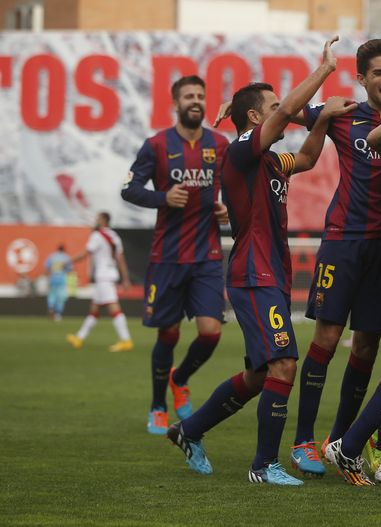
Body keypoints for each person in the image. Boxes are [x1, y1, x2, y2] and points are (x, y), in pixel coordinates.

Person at [166, 37, 352, 485]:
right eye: (271, 106)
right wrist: (325, 71)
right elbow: (288, 111)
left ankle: (188, 430)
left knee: (256, 376)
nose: (281, 110)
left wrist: (323, 120)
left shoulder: (271, 162)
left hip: (270, 272)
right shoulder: (244, 150)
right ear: (254, 118)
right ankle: (263, 466)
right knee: (285, 363)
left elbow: (307, 157)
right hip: (253, 273)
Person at [289, 39, 381, 477]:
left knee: (366, 344)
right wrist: (324, 70)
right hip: (344, 243)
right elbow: (288, 110)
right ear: (361, 78)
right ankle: (303, 440)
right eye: (378, 72)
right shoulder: (344, 114)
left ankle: (339, 439)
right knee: (326, 339)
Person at [121, 75, 230, 435]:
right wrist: (162, 198)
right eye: (188, 96)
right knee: (167, 335)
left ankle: (180, 378)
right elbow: (129, 189)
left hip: (207, 255)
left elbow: (236, 188)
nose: (195, 100)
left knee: (211, 333)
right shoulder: (156, 145)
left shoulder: (220, 144)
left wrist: (227, 209)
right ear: (176, 103)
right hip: (167, 256)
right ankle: (157, 406)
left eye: (200, 95)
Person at [66, 212, 133, 352]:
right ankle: (79, 338)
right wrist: (125, 278)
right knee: (94, 310)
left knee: (114, 308)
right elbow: (120, 259)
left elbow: (86, 253)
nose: (95, 221)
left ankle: (126, 340)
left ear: (103, 220)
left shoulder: (97, 236)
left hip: (103, 277)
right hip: (109, 275)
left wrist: (69, 260)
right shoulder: (114, 236)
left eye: (97, 219)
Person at [45, 244, 73, 321]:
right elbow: (70, 269)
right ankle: (58, 314)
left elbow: (47, 267)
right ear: (64, 249)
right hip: (61, 279)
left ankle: (51, 308)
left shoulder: (52, 256)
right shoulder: (66, 257)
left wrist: (48, 277)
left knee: (52, 295)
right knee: (60, 297)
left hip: (53, 278)